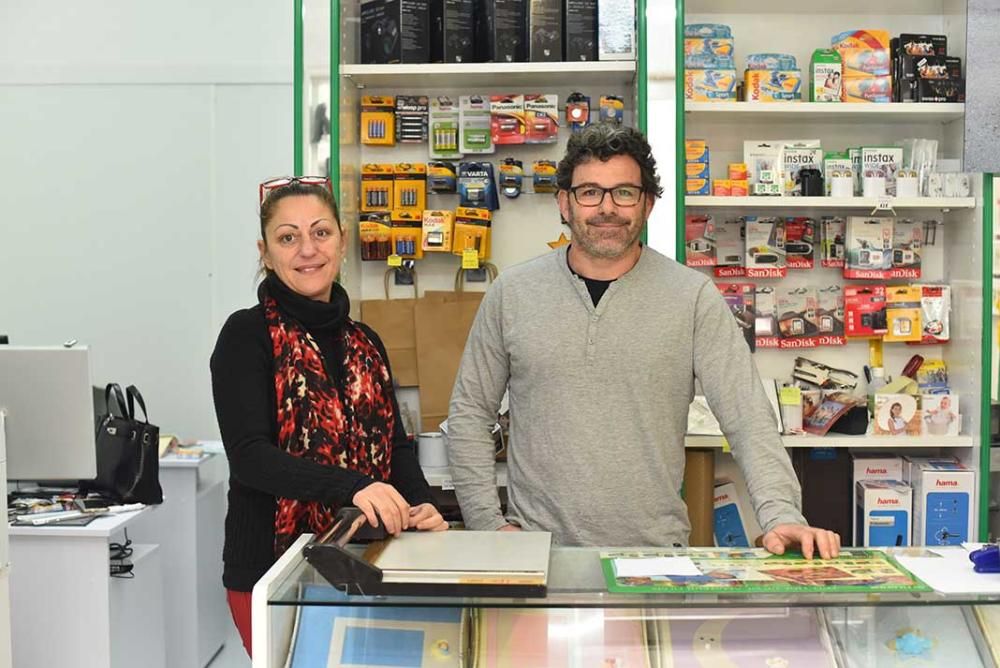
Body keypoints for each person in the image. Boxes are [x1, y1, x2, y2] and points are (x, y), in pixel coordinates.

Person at [447, 124, 839, 560]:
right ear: (564, 202)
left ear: (648, 203)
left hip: (654, 559)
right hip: (537, 555)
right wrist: (488, 524)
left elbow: (748, 418)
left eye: (625, 193)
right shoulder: (513, 293)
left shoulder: (692, 297)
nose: (607, 208)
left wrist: (781, 514)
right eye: (590, 192)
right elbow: (469, 414)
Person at [210, 177, 446, 656]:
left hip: (369, 560)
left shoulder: (367, 341)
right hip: (271, 570)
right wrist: (354, 487)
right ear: (265, 251)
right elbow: (251, 458)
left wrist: (420, 503)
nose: (307, 250)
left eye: (320, 232)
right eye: (287, 237)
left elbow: (395, 445)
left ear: (341, 239)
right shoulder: (245, 335)